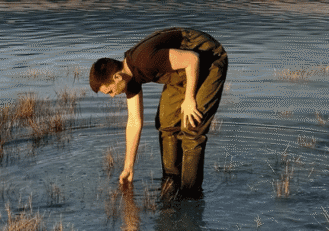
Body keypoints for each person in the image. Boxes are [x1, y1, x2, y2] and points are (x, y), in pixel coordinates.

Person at [89, 27, 228, 200]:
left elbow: (192, 59)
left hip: (208, 59)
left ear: (117, 77)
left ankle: (190, 194)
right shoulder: (129, 80)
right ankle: (171, 182)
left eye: (109, 91)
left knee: (192, 126)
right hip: (182, 71)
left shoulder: (145, 60)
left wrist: (189, 99)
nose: (112, 96)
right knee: (166, 123)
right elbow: (134, 122)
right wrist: (128, 167)